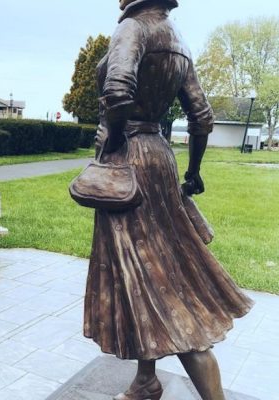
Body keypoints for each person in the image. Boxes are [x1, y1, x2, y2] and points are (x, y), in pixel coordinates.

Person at [83, 0, 254, 399]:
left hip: (130, 160)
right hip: (160, 157)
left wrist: (111, 139)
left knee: (160, 279)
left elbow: (117, 91)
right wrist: (193, 171)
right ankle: (146, 380)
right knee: (146, 271)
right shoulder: (177, 39)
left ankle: (205, 381)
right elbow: (202, 116)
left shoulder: (134, 29)